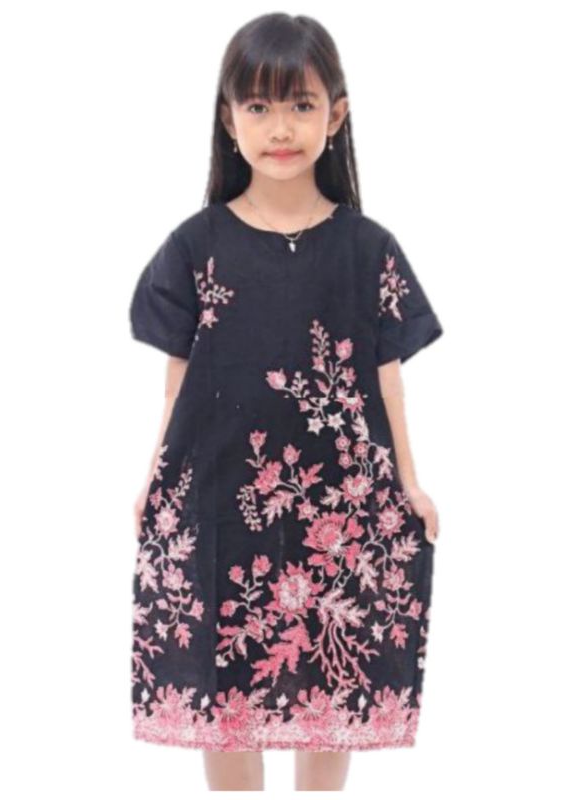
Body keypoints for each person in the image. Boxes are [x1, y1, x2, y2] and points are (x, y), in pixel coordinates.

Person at [129, 12, 444, 792]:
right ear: (227, 117)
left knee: (332, 672)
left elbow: (388, 380)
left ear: (336, 115)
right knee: (223, 678)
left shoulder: (369, 249)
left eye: (301, 105)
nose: (280, 128)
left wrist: (410, 483)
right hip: (219, 496)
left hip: (342, 503)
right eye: (260, 105)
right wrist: (152, 478)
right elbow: (176, 380)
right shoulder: (195, 247)